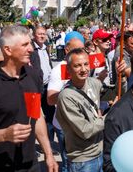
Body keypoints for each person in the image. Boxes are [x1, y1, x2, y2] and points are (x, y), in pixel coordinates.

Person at [0, 25, 58, 172]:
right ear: (8, 50)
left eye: (30, 44)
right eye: (25, 45)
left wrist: (48, 153)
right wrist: (4, 135)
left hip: (29, 163)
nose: (31, 49)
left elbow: (36, 115)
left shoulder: (32, 75)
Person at [55, 48, 127, 171]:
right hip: (83, 160)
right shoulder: (66, 96)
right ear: (68, 69)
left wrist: (122, 76)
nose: (83, 69)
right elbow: (85, 130)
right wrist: (110, 115)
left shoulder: (93, 82)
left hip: (101, 151)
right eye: (77, 66)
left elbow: (116, 93)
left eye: (86, 64)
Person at [47, 35, 85, 172]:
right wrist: (68, 92)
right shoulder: (59, 70)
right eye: (77, 49)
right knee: (68, 164)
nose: (82, 53)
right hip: (65, 126)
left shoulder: (84, 67)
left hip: (82, 124)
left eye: (83, 49)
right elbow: (50, 99)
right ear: (67, 50)